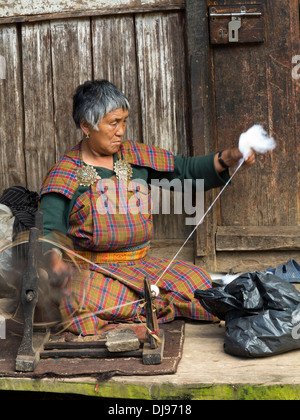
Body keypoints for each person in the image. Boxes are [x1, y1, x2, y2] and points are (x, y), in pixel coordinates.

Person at [39, 79, 255, 335]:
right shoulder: (65, 173)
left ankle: (142, 305)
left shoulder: (135, 157)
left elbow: (183, 171)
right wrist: (55, 265)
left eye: (124, 121)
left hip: (141, 266)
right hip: (94, 273)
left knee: (197, 281)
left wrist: (227, 157)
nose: (121, 131)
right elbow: (48, 232)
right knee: (78, 298)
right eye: (113, 123)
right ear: (86, 125)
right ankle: (151, 304)